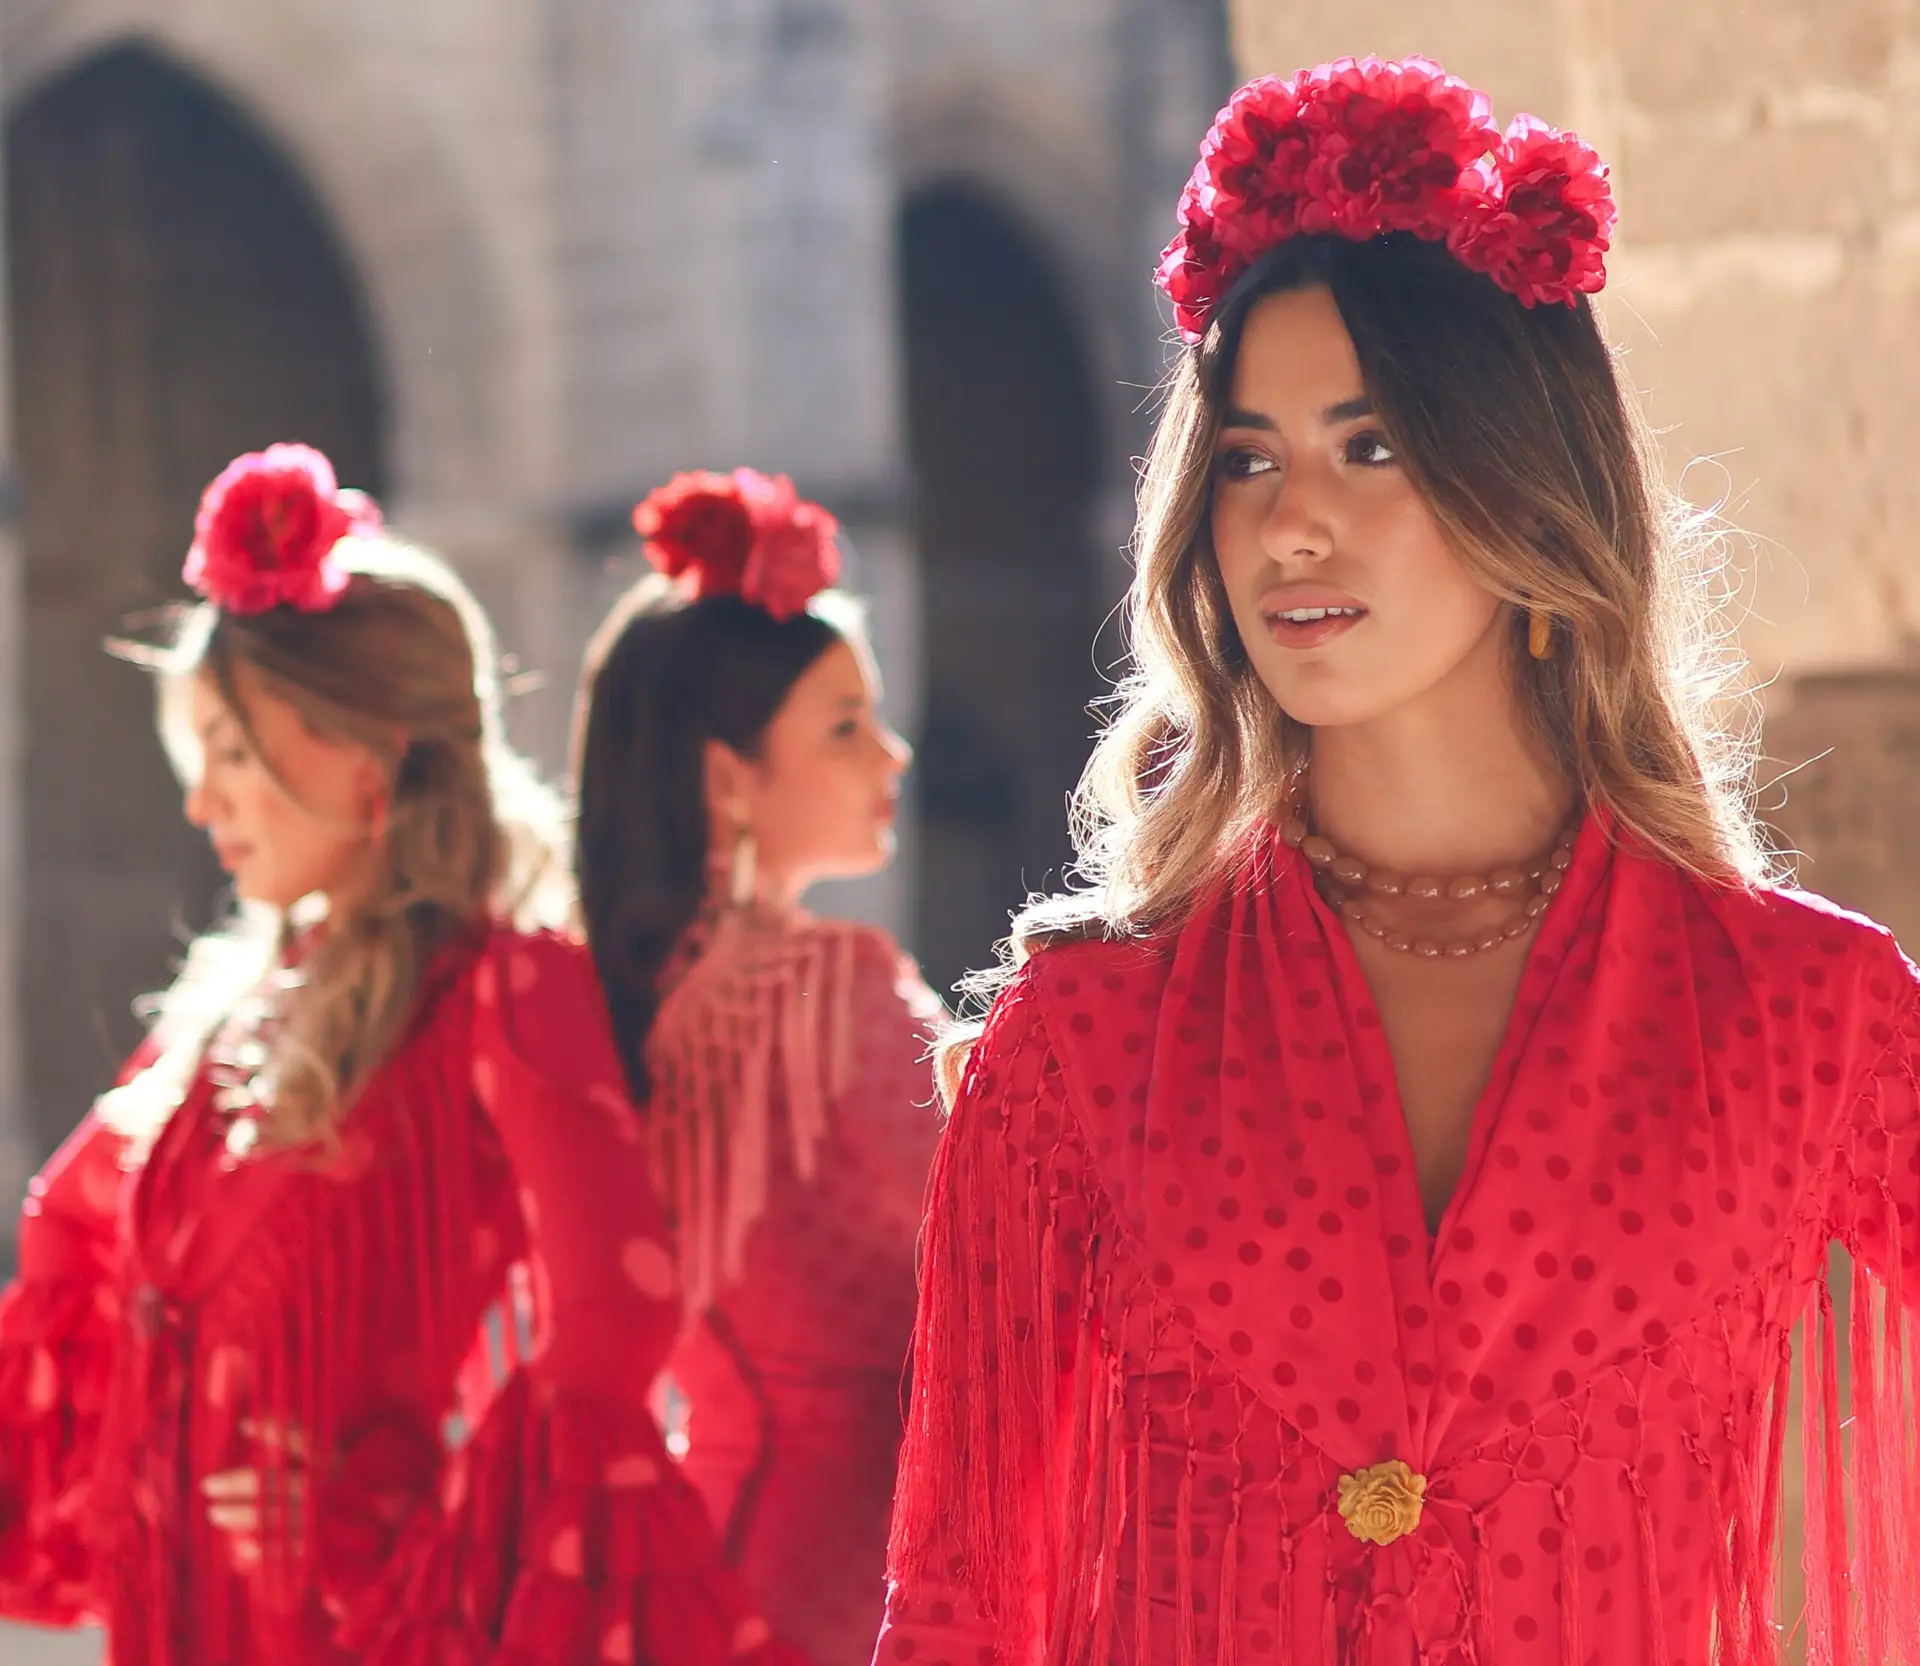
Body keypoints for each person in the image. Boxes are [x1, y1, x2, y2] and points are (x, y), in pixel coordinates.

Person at [877, 57, 1920, 1666]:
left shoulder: (1817, 1017)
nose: (1293, 520)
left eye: (1371, 449)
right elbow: (958, 1613)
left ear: (1525, 489)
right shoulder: (1079, 1044)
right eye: (1248, 455)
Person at [0, 444, 801, 1665]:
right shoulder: (230, 1003)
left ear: (363, 752)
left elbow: (617, 1322)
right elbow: (76, 1246)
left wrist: (416, 1517)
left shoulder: (508, 986)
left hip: (360, 1625)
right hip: (174, 1618)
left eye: (230, 751)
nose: (202, 803)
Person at [575, 468, 942, 1665]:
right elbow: (1013, 1231)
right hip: (863, 1573)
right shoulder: (831, 987)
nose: (890, 754)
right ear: (729, 774)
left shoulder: (622, 1009)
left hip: (703, 1558)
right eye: (844, 725)